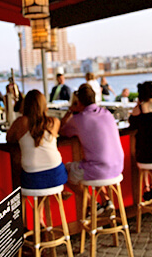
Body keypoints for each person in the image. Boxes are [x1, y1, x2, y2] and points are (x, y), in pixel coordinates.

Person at [60, 84, 124, 212]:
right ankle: (106, 200)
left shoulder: (78, 119)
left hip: (98, 170)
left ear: (79, 101)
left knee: (62, 172)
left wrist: (70, 111)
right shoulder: (107, 113)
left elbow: (61, 131)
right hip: (118, 167)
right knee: (90, 165)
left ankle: (93, 204)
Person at [6, 90, 68, 190]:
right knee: (66, 169)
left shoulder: (20, 122)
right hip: (56, 175)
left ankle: (33, 204)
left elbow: (9, 139)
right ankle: (60, 196)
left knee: (17, 176)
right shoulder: (54, 122)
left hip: (32, 178)